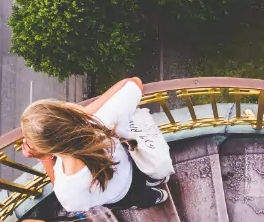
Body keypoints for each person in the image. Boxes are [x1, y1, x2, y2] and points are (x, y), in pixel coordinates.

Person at [20, 77, 169, 213]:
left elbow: (71, 204)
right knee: (146, 173)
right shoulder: (99, 119)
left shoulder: (68, 185)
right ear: (65, 110)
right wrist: (85, 112)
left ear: (49, 148)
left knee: (143, 197)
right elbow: (134, 83)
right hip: (132, 168)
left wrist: (45, 158)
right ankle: (156, 179)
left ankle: (157, 197)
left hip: (121, 195)